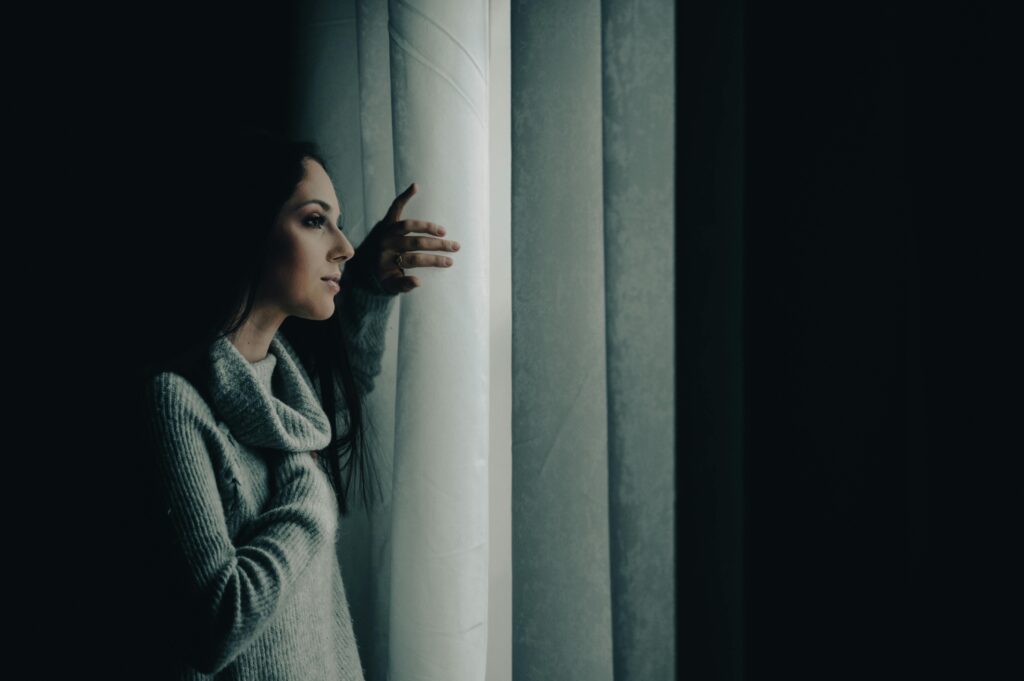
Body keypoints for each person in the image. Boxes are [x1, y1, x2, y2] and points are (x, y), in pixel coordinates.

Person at [131, 127, 460, 679]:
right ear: (248, 230)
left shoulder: (286, 384)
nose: (345, 246)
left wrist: (367, 288)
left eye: (339, 222)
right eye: (314, 221)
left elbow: (341, 390)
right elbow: (214, 626)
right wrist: (311, 497)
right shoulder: (172, 401)